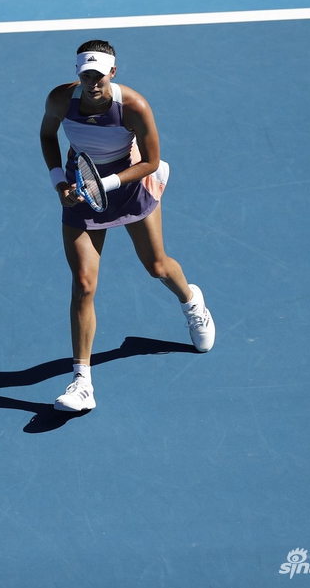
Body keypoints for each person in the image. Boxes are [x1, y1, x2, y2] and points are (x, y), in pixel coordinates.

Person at [39, 39, 215, 412]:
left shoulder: (134, 106)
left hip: (129, 184)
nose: (93, 83)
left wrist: (105, 184)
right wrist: (59, 183)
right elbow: (47, 135)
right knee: (83, 285)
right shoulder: (60, 99)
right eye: (87, 75)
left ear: (113, 73)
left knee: (157, 266)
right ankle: (82, 383)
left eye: (100, 76)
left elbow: (151, 161)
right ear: (78, 74)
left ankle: (191, 302)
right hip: (81, 190)